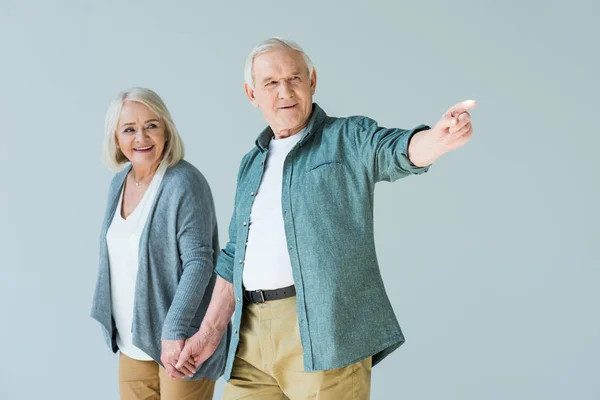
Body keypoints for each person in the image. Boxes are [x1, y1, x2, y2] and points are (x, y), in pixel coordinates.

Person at [177, 38, 476, 399]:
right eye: (271, 83)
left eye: (295, 78)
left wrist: (437, 139)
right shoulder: (251, 162)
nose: (285, 91)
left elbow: (394, 150)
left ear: (312, 82)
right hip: (250, 336)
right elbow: (233, 256)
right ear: (251, 93)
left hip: (325, 332)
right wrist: (208, 334)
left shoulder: (346, 138)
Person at [90, 87, 229, 399]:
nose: (142, 137)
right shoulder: (119, 182)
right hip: (133, 342)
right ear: (116, 138)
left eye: (151, 125)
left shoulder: (184, 182)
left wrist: (174, 330)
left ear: (166, 129)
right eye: (129, 129)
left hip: (180, 343)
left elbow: (199, 262)